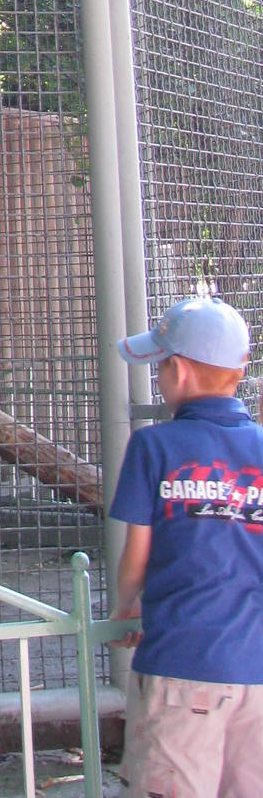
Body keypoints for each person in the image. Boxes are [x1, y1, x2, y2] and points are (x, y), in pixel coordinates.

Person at [109, 295, 263, 798]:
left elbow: (137, 552)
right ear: (239, 370)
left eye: (160, 366)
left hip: (181, 666)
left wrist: (126, 606)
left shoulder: (154, 447)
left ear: (176, 372)